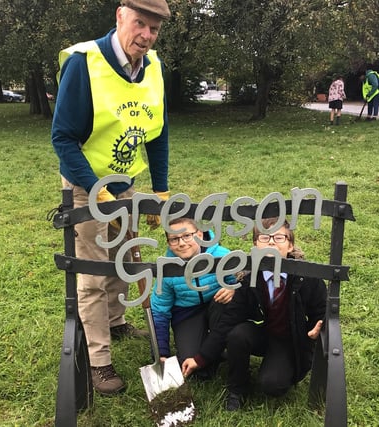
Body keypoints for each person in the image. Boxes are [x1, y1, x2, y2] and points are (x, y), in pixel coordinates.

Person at [51, 0, 171, 396]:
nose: (146, 36)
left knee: (123, 261)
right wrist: (95, 188)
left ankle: (116, 321)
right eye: (140, 24)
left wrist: (160, 188)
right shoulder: (84, 63)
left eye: (153, 29)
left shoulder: (153, 67)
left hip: (125, 184)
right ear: (120, 16)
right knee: (94, 271)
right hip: (86, 185)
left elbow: (157, 132)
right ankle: (100, 361)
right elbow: (62, 138)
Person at [181, 217, 327, 411]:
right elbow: (228, 321)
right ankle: (237, 390)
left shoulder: (307, 277)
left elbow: (321, 310)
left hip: (289, 340)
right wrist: (200, 358)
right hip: (263, 334)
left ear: (290, 245)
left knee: (273, 384)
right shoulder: (250, 279)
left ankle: (280, 366)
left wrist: (317, 327)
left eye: (279, 237)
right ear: (256, 246)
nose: (272, 242)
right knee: (237, 334)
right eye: (265, 238)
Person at [150, 218, 235, 379]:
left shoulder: (222, 256)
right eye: (174, 239)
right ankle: (212, 354)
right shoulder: (168, 269)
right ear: (168, 243)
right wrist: (161, 352)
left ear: (200, 234)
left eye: (187, 236)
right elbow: (159, 311)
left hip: (217, 307)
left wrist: (233, 289)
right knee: (197, 372)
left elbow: (243, 281)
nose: (181, 243)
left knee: (225, 304)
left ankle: (225, 347)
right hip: (187, 313)